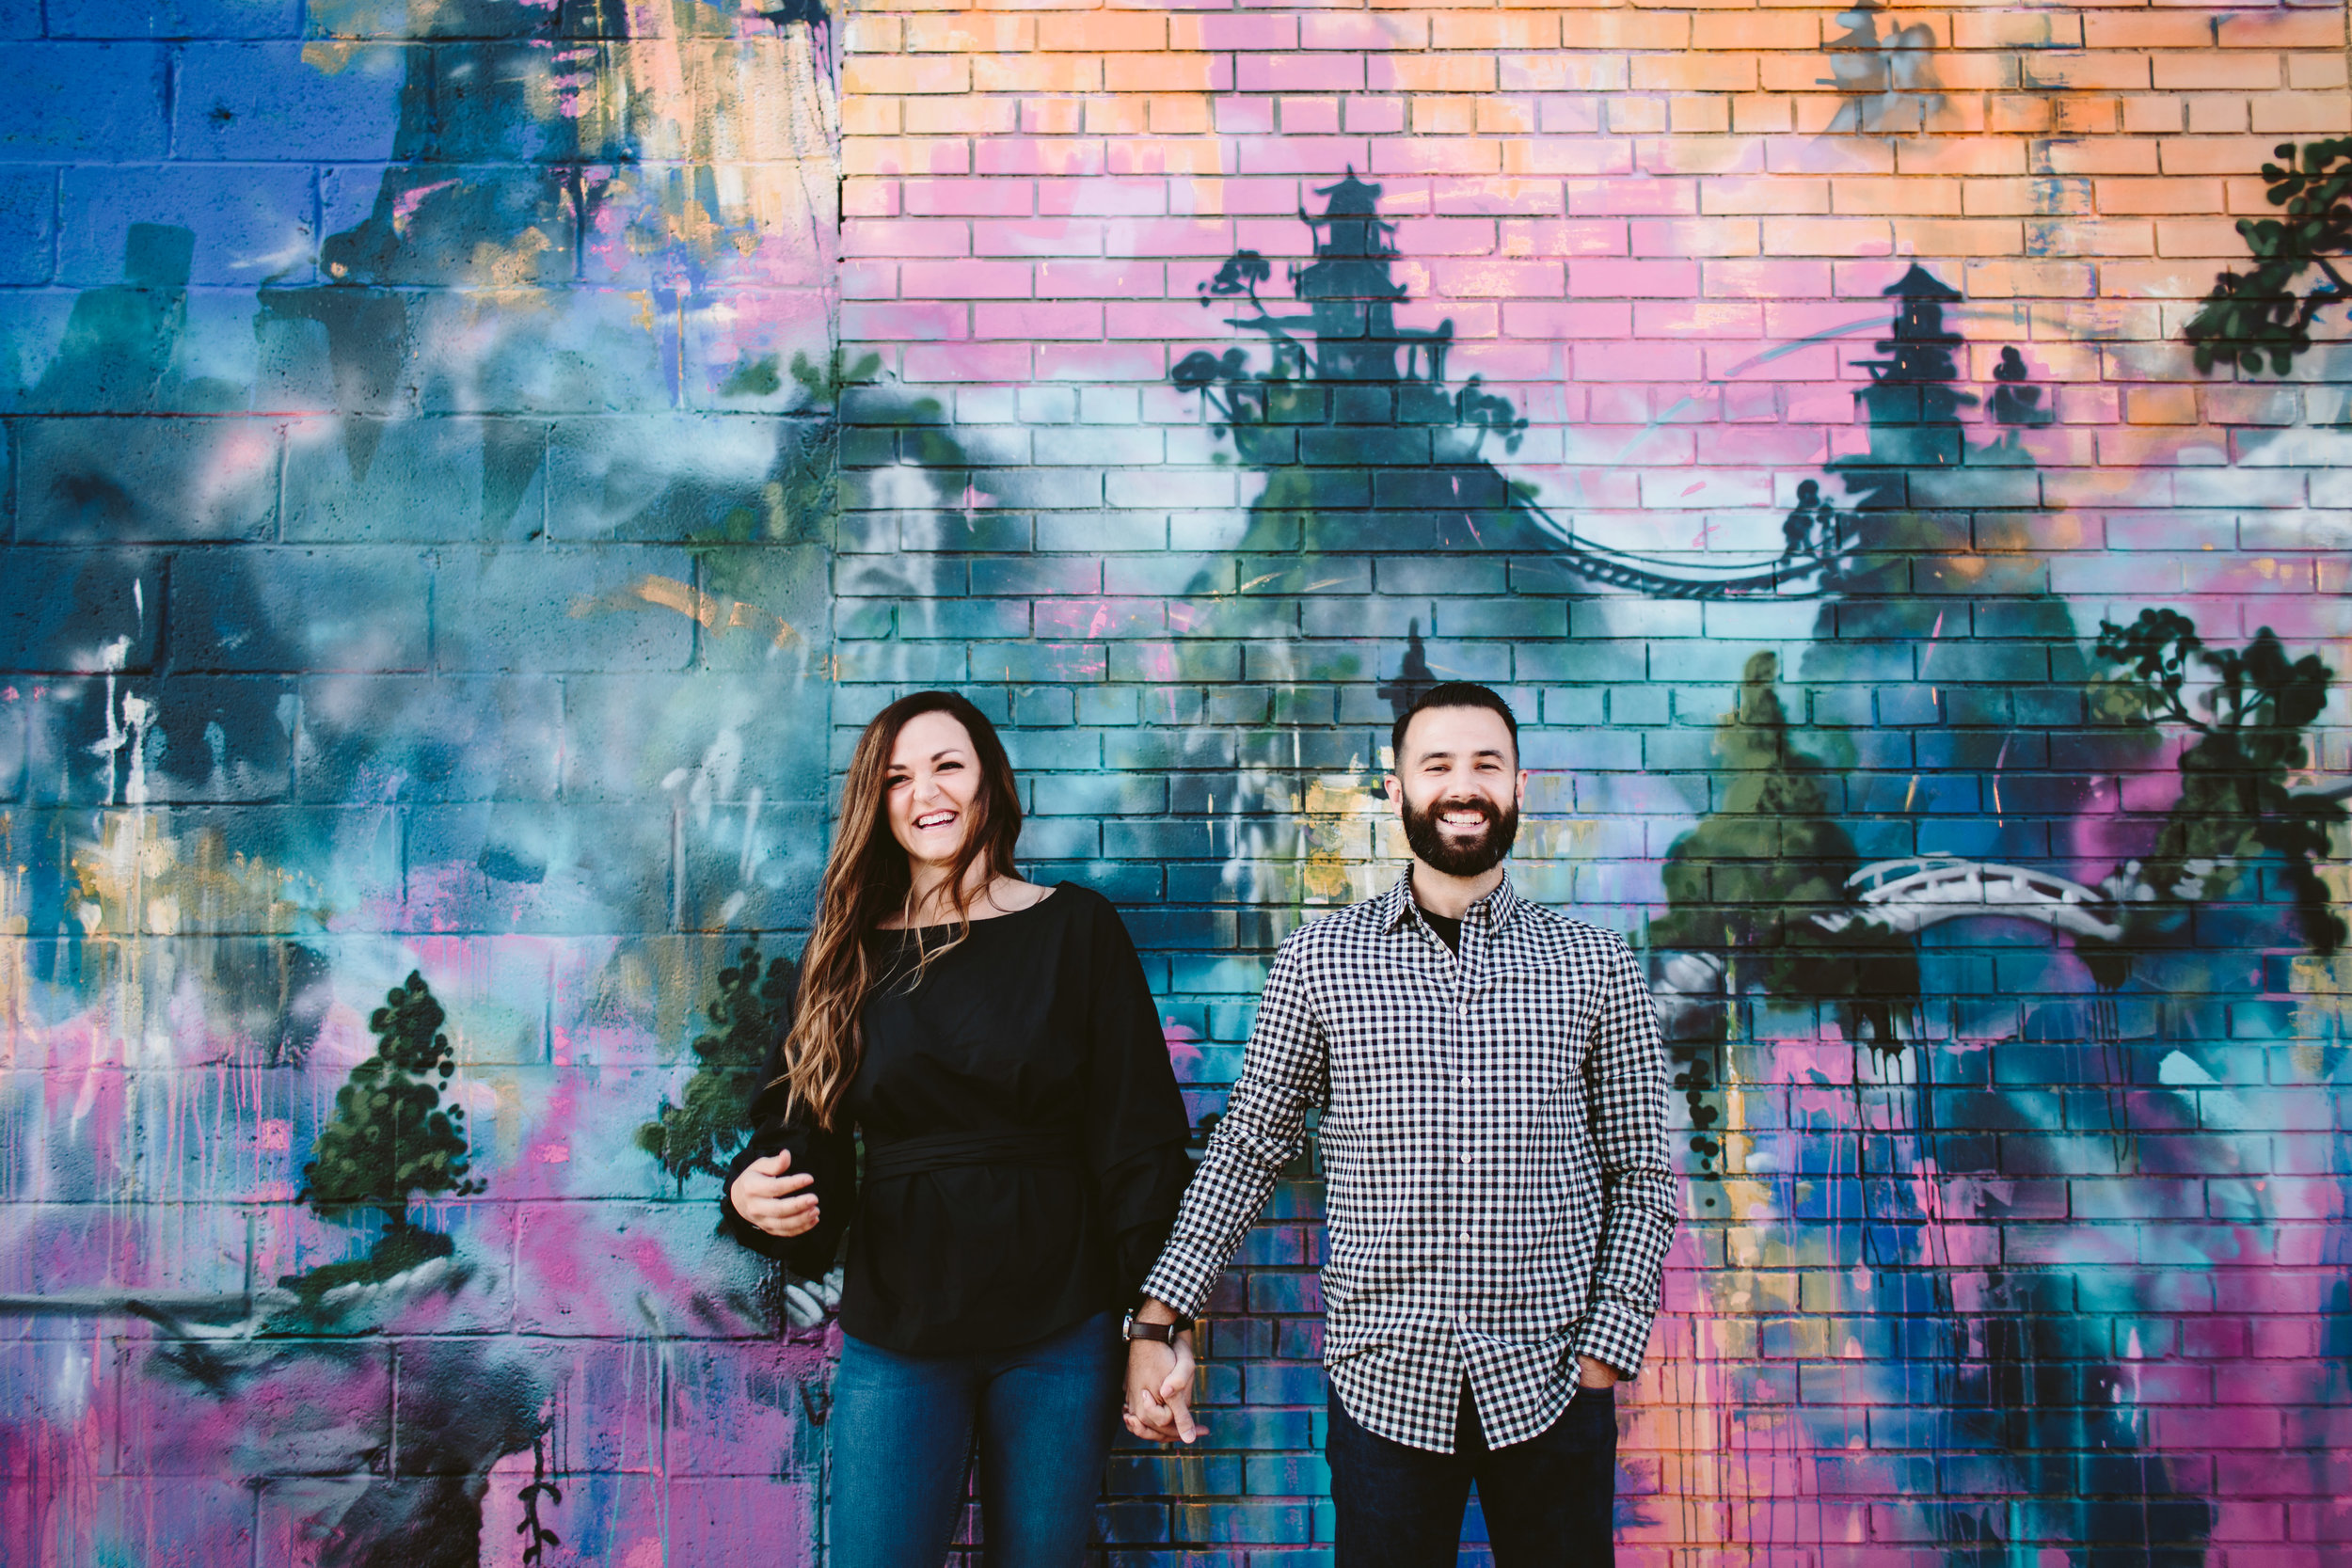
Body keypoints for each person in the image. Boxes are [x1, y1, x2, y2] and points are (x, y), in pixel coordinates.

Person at [1122, 681, 1677, 1568]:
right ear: (1397, 790)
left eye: (1485, 764)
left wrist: (1603, 1353)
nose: (1464, 785)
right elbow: (1250, 1145)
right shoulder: (1321, 958)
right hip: (1385, 1385)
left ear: (1520, 785)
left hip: (1553, 1383)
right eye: (1438, 765)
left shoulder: (1593, 964)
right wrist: (1159, 1318)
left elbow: (1643, 1177)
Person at [723, 689, 1193, 1568]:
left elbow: (1140, 1145)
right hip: (898, 1333)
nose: (924, 791)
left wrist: (1155, 1329)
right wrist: (755, 1191)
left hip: (1060, 1330)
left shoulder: (1076, 929)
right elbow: (797, 1136)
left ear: (989, 784)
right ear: (877, 802)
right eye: (897, 776)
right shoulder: (845, 954)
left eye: (947, 765)